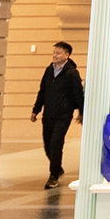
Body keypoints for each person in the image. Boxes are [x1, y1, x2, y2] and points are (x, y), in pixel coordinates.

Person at [31, 41, 83, 189]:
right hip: (48, 114)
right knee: (47, 144)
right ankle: (58, 168)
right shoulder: (49, 70)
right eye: (54, 52)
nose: (55, 55)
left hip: (64, 114)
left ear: (67, 55)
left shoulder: (72, 73)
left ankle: (53, 175)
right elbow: (42, 91)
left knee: (56, 143)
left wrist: (81, 112)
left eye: (58, 53)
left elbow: (78, 93)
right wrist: (36, 110)